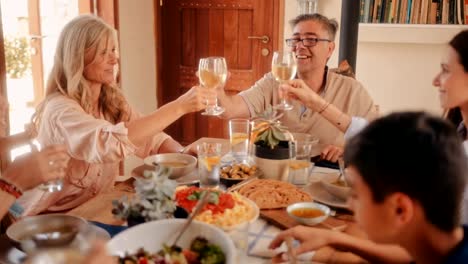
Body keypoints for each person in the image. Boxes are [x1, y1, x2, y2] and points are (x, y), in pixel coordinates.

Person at [17, 14, 216, 216]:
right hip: (47, 220)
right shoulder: (59, 111)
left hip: (95, 210)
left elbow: (150, 139)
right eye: (103, 52)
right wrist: (179, 106)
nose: (114, 58)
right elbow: (107, 143)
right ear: (78, 57)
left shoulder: (110, 100)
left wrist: (182, 155)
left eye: (113, 49)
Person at [271, 112, 468, 263]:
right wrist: (333, 238)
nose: (349, 204)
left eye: (356, 195)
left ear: (400, 209)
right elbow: (408, 257)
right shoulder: (444, 241)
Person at [214, 13, 378, 162]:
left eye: (311, 39)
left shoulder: (351, 89)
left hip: (326, 171)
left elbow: (380, 142)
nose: (300, 45)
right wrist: (217, 91)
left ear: (330, 49)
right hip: (278, 169)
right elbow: (231, 111)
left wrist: (347, 150)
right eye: (295, 39)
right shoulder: (274, 81)